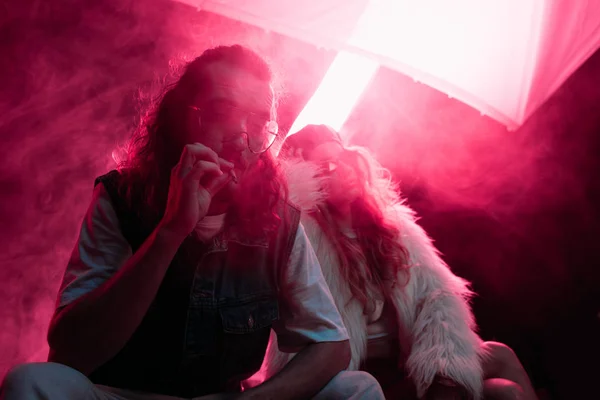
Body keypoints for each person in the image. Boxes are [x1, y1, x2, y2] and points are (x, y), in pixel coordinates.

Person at [0, 47, 385, 400]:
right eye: (222, 114)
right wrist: (170, 231)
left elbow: (332, 345)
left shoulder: (279, 219)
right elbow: (70, 352)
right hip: (120, 394)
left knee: (356, 389)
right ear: (180, 118)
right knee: (30, 382)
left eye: (258, 121)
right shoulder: (122, 199)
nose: (241, 138)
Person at [243, 124, 539, 400]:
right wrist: (292, 183)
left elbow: (438, 298)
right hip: (358, 377)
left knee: (503, 370)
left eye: (346, 157)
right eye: (327, 166)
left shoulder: (395, 228)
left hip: (409, 364)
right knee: (505, 391)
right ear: (309, 179)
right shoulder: (303, 238)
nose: (344, 170)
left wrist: (443, 366)